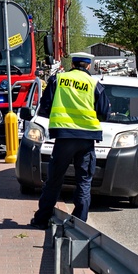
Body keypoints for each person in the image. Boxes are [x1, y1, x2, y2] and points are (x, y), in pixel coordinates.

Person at [30, 52, 110, 228]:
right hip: (86, 138)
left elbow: (44, 108)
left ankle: (42, 219)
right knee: (84, 180)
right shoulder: (94, 83)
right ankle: (80, 223)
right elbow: (104, 112)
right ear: (88, 66)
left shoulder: (58, 79)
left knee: (54, 180)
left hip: (64, 137)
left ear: (72, 64)